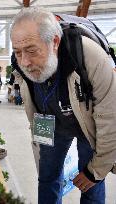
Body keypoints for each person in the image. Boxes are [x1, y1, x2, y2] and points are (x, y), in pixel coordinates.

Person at [10, 7, 116, 204]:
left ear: (55, 43)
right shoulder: (21, 64)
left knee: (91, 185)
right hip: (51, 125)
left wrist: (96, 171)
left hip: (90, 127)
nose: (25, 61)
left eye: (32, 50)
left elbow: (111, 119)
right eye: (17, 52)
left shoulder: (92, 57)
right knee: (47, 178)